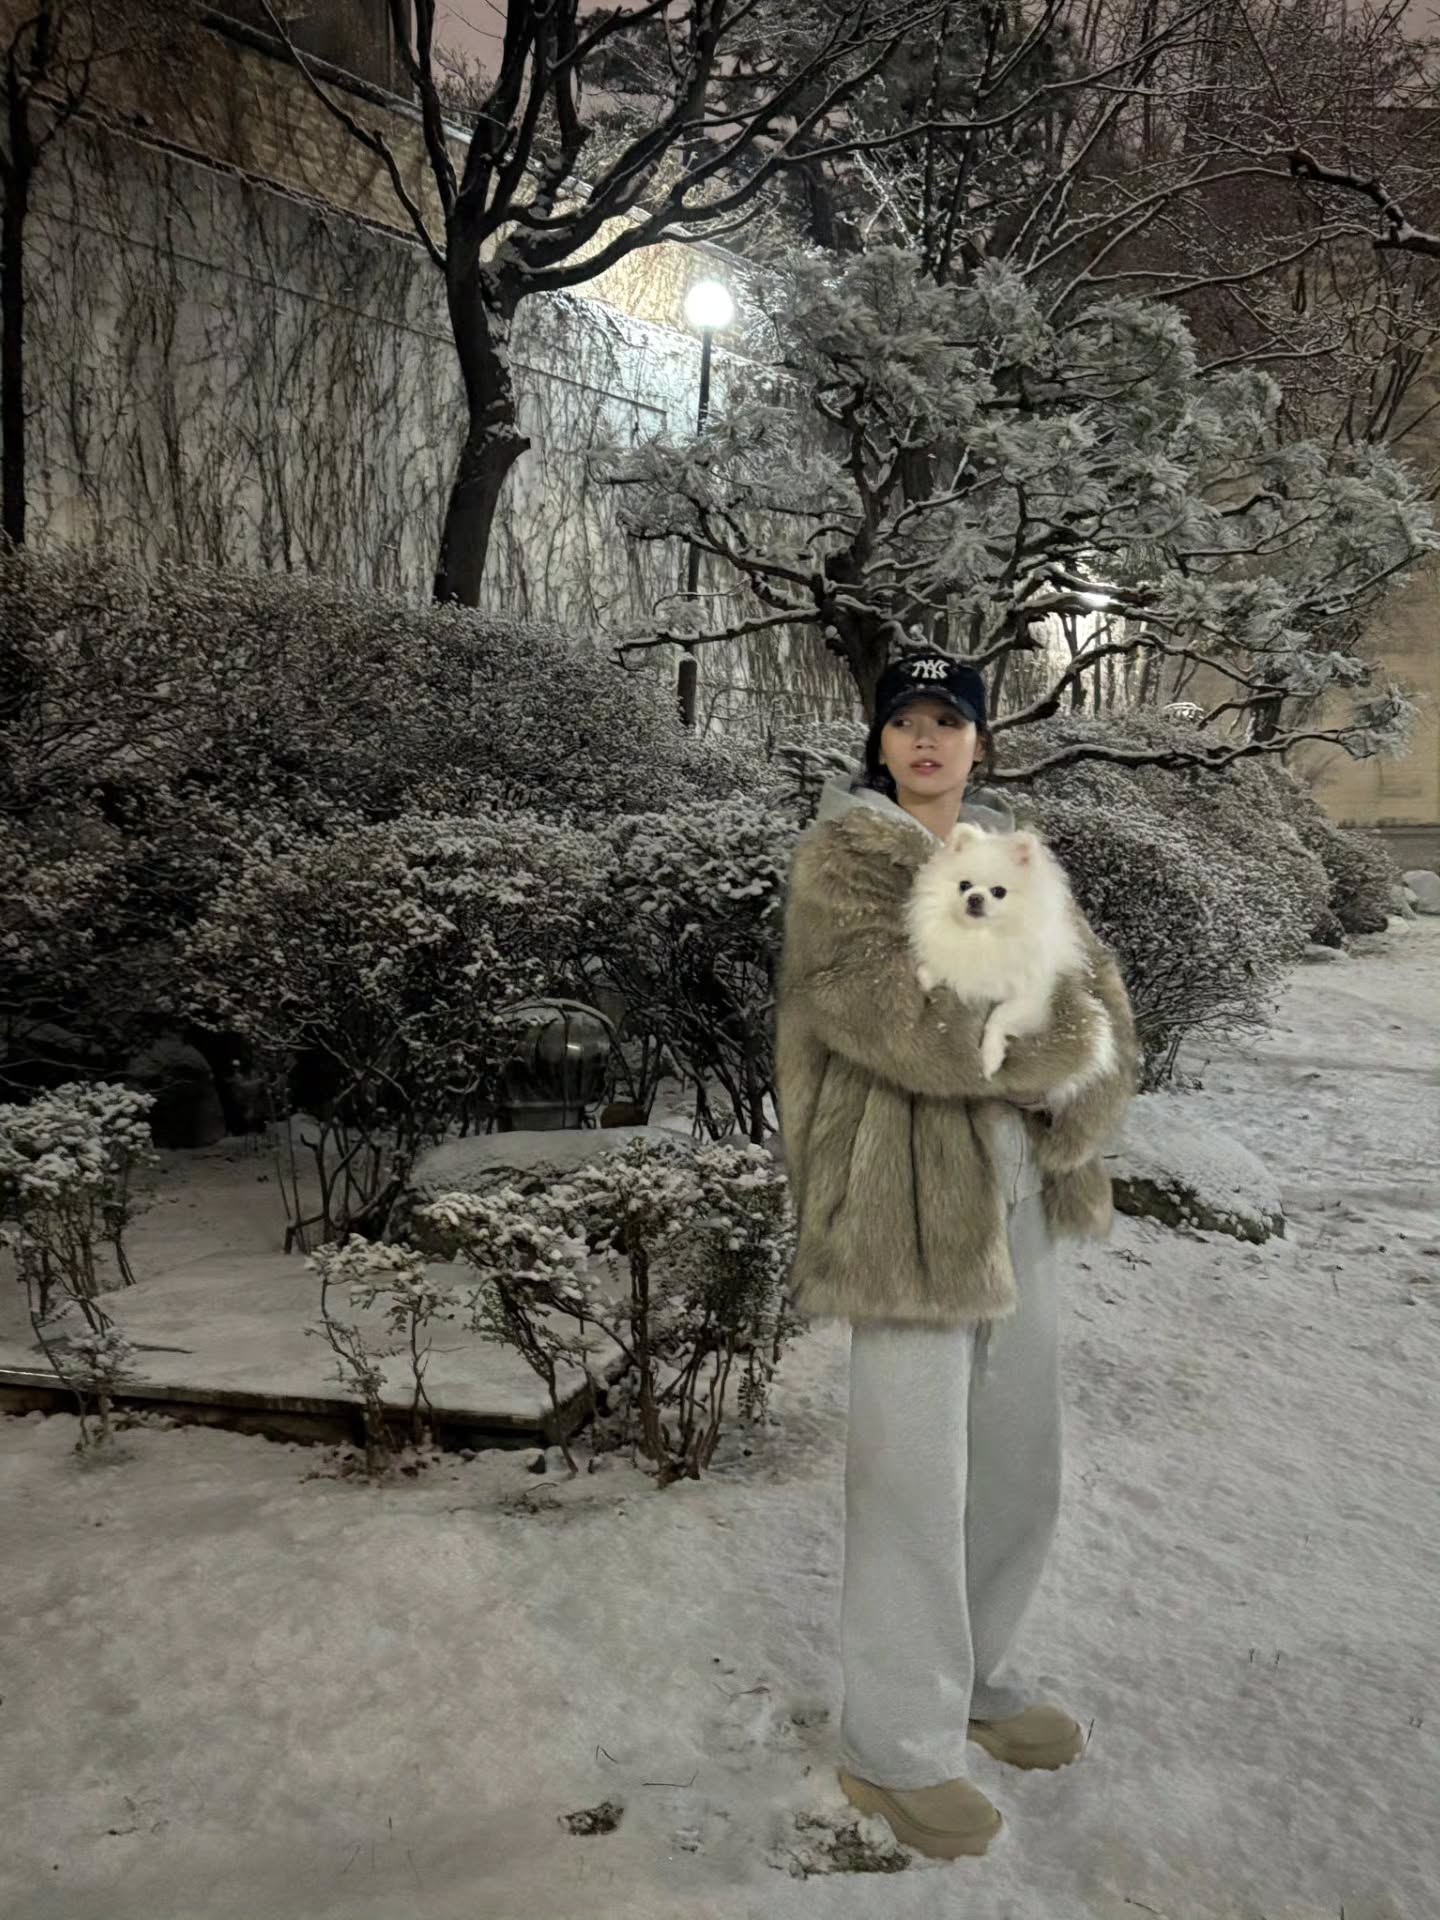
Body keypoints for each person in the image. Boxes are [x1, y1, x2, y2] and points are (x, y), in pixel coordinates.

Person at [774, 649, 1138, 1862]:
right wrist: (1054, 1053)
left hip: (1021, 1189)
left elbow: (1105, 1006)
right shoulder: (847, 861)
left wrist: (1075, 1092)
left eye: (949, 720)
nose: (927, 740)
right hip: (905, 1207)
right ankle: (894, 1747)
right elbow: (903, 1024)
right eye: (906, 722)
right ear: (879, 742)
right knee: (912, 1479)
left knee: (1018, 1461)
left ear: (980, 740)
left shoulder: (1018, 859)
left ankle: (976, 1678)